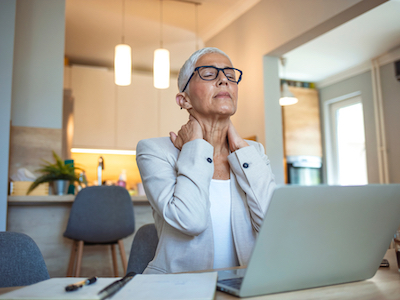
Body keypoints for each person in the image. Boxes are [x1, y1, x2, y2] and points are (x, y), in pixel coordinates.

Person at [136, 47, 275, 274]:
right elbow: (191, 221)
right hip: (180, 289)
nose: (223, 80)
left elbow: (271, 226)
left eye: (231, 76)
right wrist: (194, 148)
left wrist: (240, 147)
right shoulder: (154, 151)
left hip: (244, 286)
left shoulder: (253, 152)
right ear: (184, 99)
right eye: (209, 74)